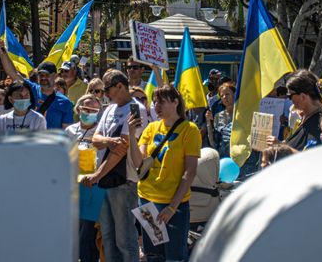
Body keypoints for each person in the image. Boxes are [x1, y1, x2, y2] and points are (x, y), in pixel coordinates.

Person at [82, 70, 148, 262]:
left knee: (124, 238)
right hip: (104, 181)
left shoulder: (136, 109)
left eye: (107, 89)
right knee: (108, 236)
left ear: (120, 86)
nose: (105, 94)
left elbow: (122, 150)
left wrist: (96, 176)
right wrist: (109, 141)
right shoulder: (110, 109)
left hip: (123, 182)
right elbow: (95, 139)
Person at [132, 85, 200, 262]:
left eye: (161, 102)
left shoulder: (190, 130)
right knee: (155, 255)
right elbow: (138, 163)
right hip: (148, 201)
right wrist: (131, 136)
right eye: (154, 102)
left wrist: (172, 207)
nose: (156, 106)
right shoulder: (151, 127)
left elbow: (190, 171)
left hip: (173, 205)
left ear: (175, 102)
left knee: (174, 256)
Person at [0, 37, 74, 130]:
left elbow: (66, 130)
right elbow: (13, 73)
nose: (43, 78)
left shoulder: (65, 102)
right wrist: (2, 52)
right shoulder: (30, 89)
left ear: (55, 76)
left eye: (47, 75)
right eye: (40, 75)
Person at [65, 94, 104, 262]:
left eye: (93, 110)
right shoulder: (69, 131)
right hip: (72, 189)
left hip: (92, 189)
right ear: (78, 109)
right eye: (86, 109)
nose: (89, 112)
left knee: (88, 233)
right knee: (73, 231)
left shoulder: (101, 132)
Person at [268, 70, 322, 152]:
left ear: (303, 97)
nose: (289, 99)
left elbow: (311, 157)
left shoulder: (319, 123)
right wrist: (279, 143)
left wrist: (281, 146)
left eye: (290, 95)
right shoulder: (306, 116)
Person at [206, 81, 236, 157]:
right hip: (223, 157)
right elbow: (213, 143)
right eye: (222, 95)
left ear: (234, 94)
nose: (225, 97)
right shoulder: (218, 116)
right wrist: (209, 122)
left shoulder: (242, 114)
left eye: (227, 94)